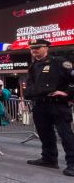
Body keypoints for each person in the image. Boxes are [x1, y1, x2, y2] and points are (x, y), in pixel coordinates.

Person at [24, 39, 74, 177]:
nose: (34, 50)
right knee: (45, 134)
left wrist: (67, 93)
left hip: (57, 104)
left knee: (66, 135)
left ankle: (72, 164)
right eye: (32, 48)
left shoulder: (58, 62)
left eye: (38, 47)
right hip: (40, 105)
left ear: (46, 48)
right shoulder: (34, 65)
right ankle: (49, 159)